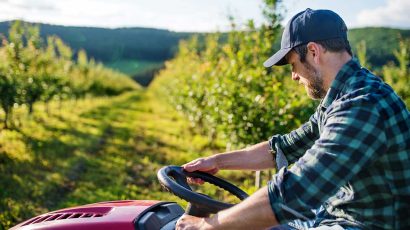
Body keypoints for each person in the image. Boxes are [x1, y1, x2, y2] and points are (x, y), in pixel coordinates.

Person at [175, 8, 410, 230]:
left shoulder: (361, 106)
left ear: (314, 52)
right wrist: (217, 161)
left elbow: (297, 191)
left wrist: (206, 226)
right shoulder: (342, 95)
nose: (294, 76)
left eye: (293, 64)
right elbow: (285, 147)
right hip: (338, 214)